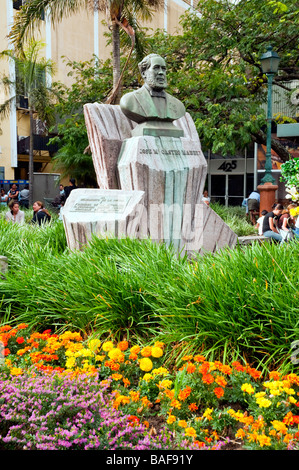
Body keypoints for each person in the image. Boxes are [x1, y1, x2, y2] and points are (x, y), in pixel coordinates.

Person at [120, 54, 186, 126]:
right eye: (156, 68)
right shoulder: (129, 100)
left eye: (163, 69)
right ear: (143, 74)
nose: (161, 72)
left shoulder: (178, 105)